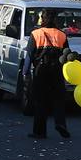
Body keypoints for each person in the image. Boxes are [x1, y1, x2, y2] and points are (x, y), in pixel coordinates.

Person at [25, 10, 70, 139]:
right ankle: (60, 123)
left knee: (40, 101)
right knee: (58, 100)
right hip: (57, 71)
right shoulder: (62, 35)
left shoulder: (35, 34)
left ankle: (40, 132)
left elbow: (29, 55)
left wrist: (25, 72)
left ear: (42, 19)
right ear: (56, 20)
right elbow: (66, 55)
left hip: (40, 71)